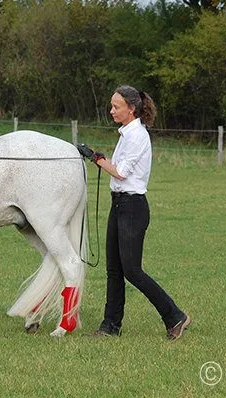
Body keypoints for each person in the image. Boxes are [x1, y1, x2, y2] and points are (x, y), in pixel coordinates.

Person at [77, 85, 191, 340]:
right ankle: (110, 326)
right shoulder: (126, 134)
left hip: (132, 208)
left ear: (131, 108)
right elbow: (117, 167)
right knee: (114, 270)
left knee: (132, 271)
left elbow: (121, 172)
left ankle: (175, 316)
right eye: (111, 106)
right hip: (119, 205)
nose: (111, 111)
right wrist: (100, 158)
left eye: (116, 107)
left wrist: (94, 157)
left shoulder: (137, 135)